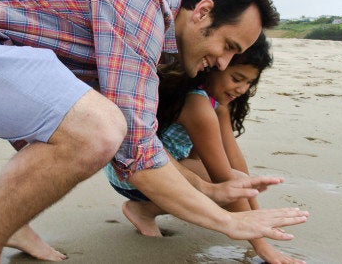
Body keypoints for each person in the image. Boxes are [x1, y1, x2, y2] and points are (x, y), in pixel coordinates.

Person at [0, 0, 308, 262]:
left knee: (92, 118)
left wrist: (208, 188)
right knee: (98, 128)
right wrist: (227, 221)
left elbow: (138, 137)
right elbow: (136, 154)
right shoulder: (140, 3)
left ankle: (13, 223)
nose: (222, 63)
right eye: (227, 47)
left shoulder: (149, 27)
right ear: (203, 12)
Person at [105, 33, 305, 263]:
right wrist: (262, 246)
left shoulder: (216, 104)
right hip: (135, 174)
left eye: (249, 82)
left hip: (159, 168)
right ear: (215, 66)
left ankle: (144, 210)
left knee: (237, 179)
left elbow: (235, 160)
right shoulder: (197, 105)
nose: (242, 89)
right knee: (228, 186)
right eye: (237, 78)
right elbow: (224, 179)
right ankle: (144, 208)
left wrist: (259, 217)